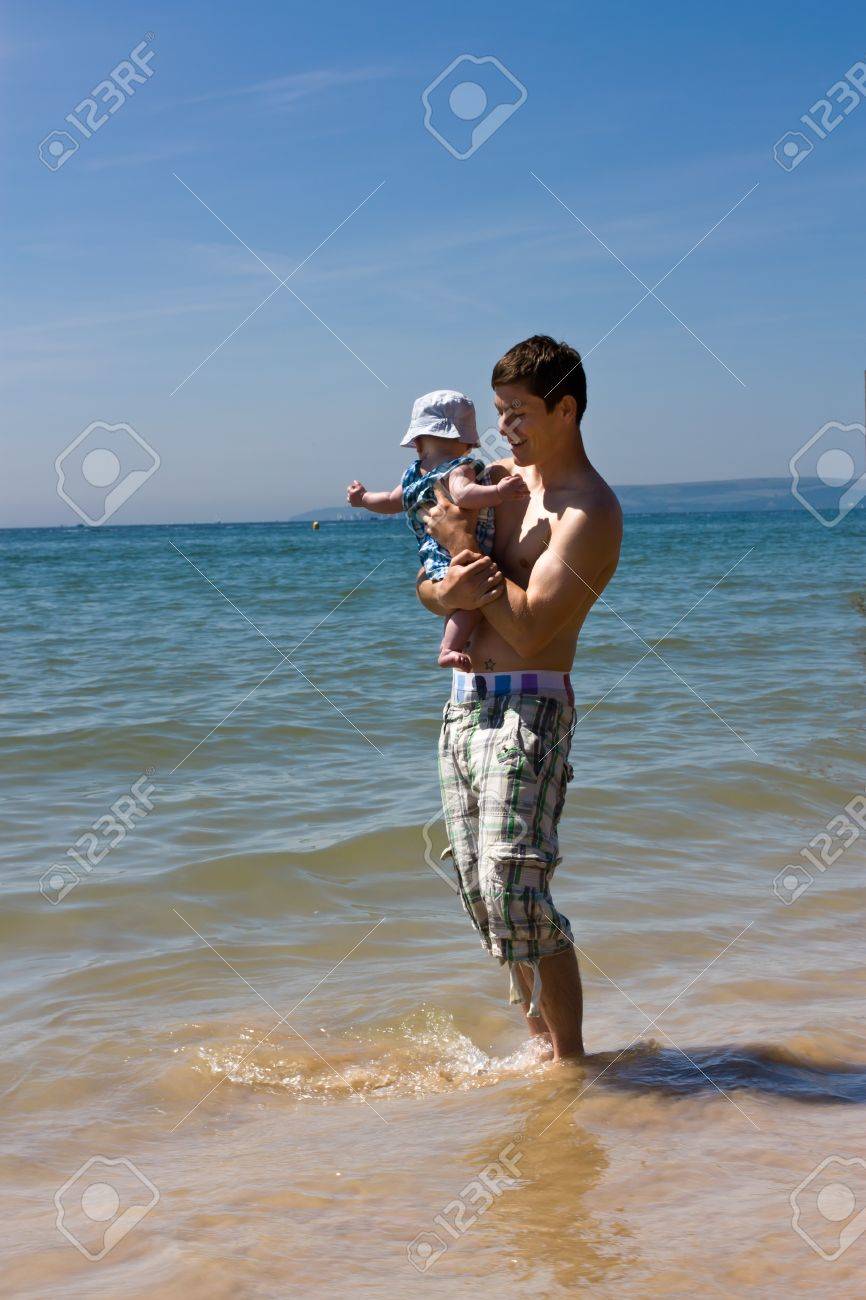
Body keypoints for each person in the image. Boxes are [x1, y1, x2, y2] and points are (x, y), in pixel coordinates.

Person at [416, 336, 622, 1061]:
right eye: (499, 411)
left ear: (565, 409)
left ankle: (572, 1062)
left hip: (533, 707)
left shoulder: (589, 512)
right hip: (463, 704)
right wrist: (447, 579)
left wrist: (462, 554)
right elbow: (430, 586)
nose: (504, 427)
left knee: (516, 891)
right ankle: (541, 1050)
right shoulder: (496, 483)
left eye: (519, 412)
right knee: (480, 895)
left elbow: (533, 628)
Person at [346, 390, 528, 668]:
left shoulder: (412, 474)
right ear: (468, 442)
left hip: (431, 554)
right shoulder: (460, 468)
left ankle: (449, 647)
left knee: (461, 601)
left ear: (418, 443)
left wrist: (363, 499)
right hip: (456, 549)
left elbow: (391, 501)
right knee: (473, 603)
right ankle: (448, 648)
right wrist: (498, 492)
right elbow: (464, 495)